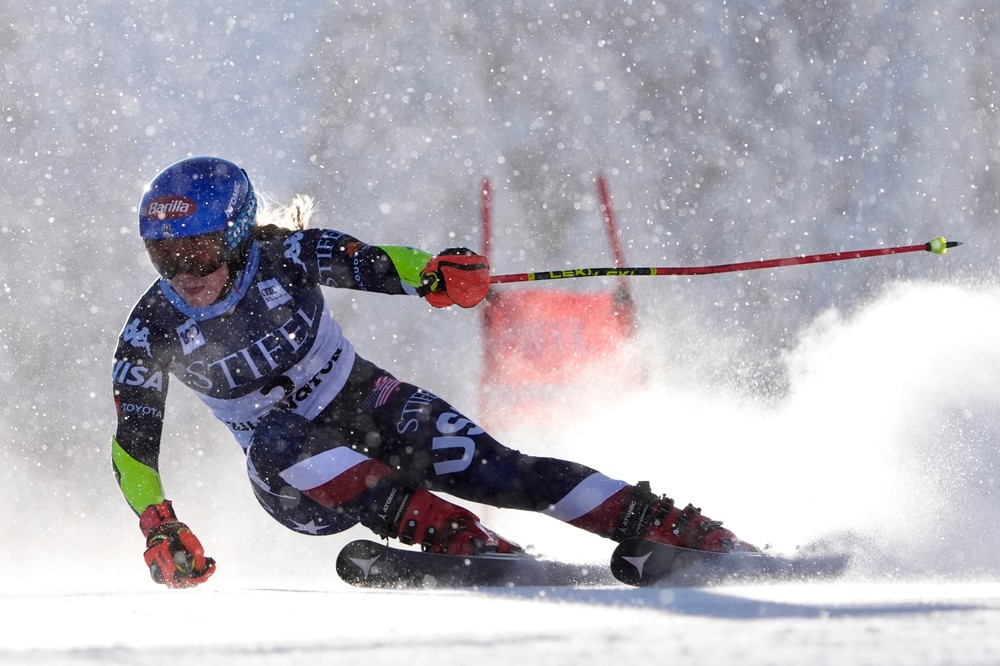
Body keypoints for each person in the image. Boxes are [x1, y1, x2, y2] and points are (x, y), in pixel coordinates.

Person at [111, 156, 757, 588]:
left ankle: (658, 523)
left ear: (238, 233)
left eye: (199, 251)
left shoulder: (286, 254)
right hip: (297, 484)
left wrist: (436, 275)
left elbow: (369, 261)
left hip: (365, 402)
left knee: (499, 469)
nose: (186, 275)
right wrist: (158, 523)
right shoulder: (151, 330)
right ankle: (454, 536)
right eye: (165, 257)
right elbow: (133, 447)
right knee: (275, 434)